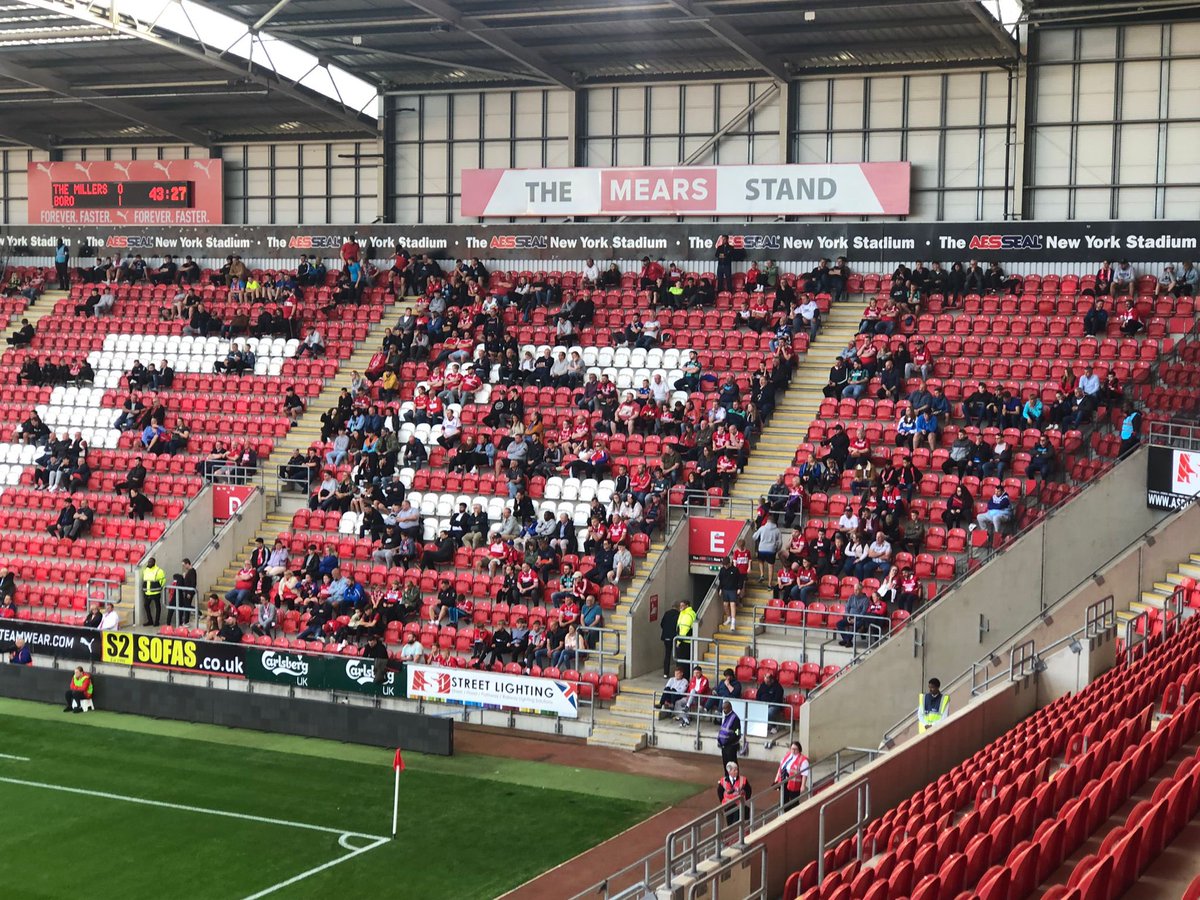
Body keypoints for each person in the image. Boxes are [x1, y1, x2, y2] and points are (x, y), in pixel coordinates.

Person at [774, 741, 810, 809]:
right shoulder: (787, 755)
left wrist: (803, 785)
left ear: (799, 749)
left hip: (794, 784)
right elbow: (781, 767)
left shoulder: (803, 760)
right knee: (783, 799)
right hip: (784, 781)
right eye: (792, 748)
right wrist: (776, 779)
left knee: (794, 802)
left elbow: (804, 774)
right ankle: (785, 812)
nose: (793, 750)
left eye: (795, 749)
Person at [716, 760, 751, 826]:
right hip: (728, 805)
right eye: (734, 770)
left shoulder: (743, 779)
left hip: (739, 804)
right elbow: (719, 792)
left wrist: (745, 799)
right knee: (729, 822)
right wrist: (723, 801)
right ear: (729, 771)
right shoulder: (723, 780)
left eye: (737, 770)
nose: (736, 772)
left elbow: (748, 790)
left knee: (737, 822)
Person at [141, 556, 166, 627]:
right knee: (146, 605)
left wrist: (158, 586)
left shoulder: (159, 570)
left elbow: (163, 580)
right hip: (147, 592)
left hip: (155, 592)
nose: (149, 563)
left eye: (150, 562)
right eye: (148, 562)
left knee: (158, 607)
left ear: (154, 563)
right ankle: (150, 621)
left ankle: (157, 622)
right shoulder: (146, 569)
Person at [716, 700, 742, 766]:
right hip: (724, 745)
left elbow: (737, 732)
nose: (724, 710)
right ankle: (727, 776)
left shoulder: (735, 719)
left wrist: (729, 741)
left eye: (725, 708)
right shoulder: (726, 717)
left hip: (731, 746)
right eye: (723, 709)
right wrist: (719, 740)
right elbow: (723, 730)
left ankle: (734, 776)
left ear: (730, 708)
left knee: (732, 764)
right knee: (726, 763)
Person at [660, 599, 681, 678]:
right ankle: (678, 673)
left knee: (667, 655)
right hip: (675, 637)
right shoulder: (679, 615)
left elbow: (662, 624)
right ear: (678, 607)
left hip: (666, 637)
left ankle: (666, 673)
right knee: (677, 656)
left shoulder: (667, 613)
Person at [675, 599, 697, 669]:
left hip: (686, 642)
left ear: (687, 606)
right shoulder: (682, 613)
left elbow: (687, 628)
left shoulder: (690, 613)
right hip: (680, 640)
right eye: (680, 605)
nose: (680, 607)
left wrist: (681, 639)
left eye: (682, 605)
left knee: (684, 663)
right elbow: (679, 626)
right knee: (680, 662)